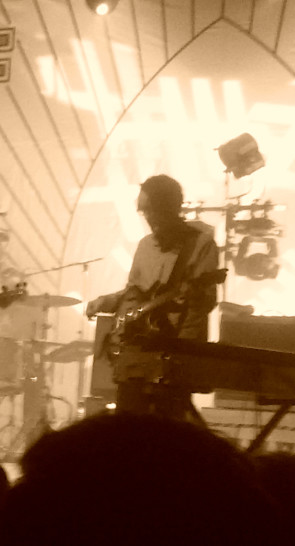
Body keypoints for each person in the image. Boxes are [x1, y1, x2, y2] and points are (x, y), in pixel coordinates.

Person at [85, 174, 220, 416]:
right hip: (135, 356)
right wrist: (105, 302)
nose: (149, 218)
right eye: (144, 212)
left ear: (172, 208)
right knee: (128, 426)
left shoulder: (201, 244)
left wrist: (179, 352)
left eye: (153, 211)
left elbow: (202, 304)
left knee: (164, 435)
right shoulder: (145, 246)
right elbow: (134, 294)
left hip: (173, 358)